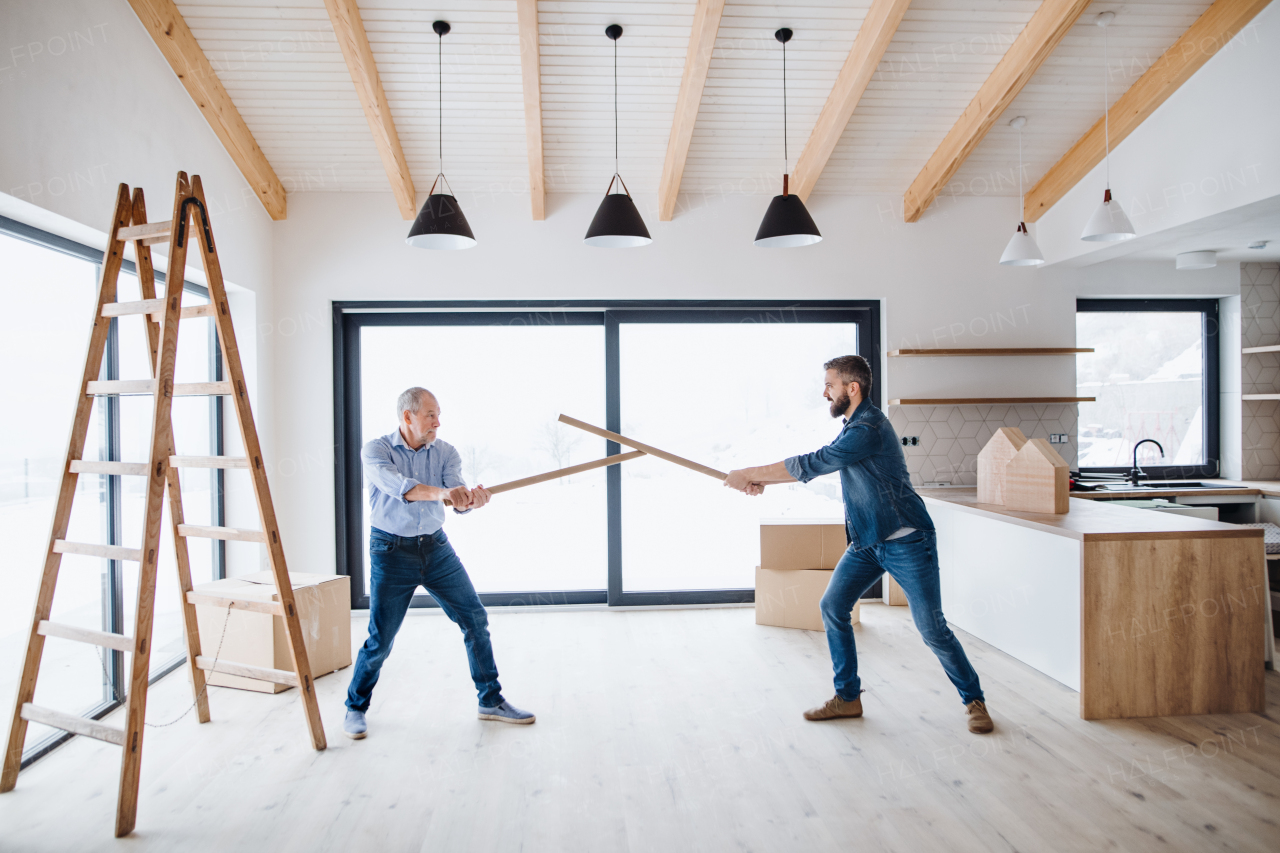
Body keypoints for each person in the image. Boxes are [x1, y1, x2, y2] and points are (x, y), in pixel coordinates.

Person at [723, 356, 993, 734]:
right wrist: (763, 482)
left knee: (932, 629)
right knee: (833, 607)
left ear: (853, 388)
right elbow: (814, 465)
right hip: (867, 542)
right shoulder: (853, 425)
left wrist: (750, 473)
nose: (825, 392)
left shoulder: (869, 428)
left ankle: (974, 700)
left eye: (830, 385)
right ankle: (848, 697)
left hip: (906, 540)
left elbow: (817, 462)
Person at [343, 387, 535, 739]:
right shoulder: (376, 451)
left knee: (474, 618)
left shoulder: (445, 452)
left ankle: (490, 700)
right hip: (389, 550)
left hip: (436, 548)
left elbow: (456, 494)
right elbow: (402, 488)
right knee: (381, 638)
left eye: (438, 414)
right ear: (408, 417)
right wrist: (445, 494)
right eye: (431, 415)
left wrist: (469, 500)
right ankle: (355, 707)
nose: (437, 422)